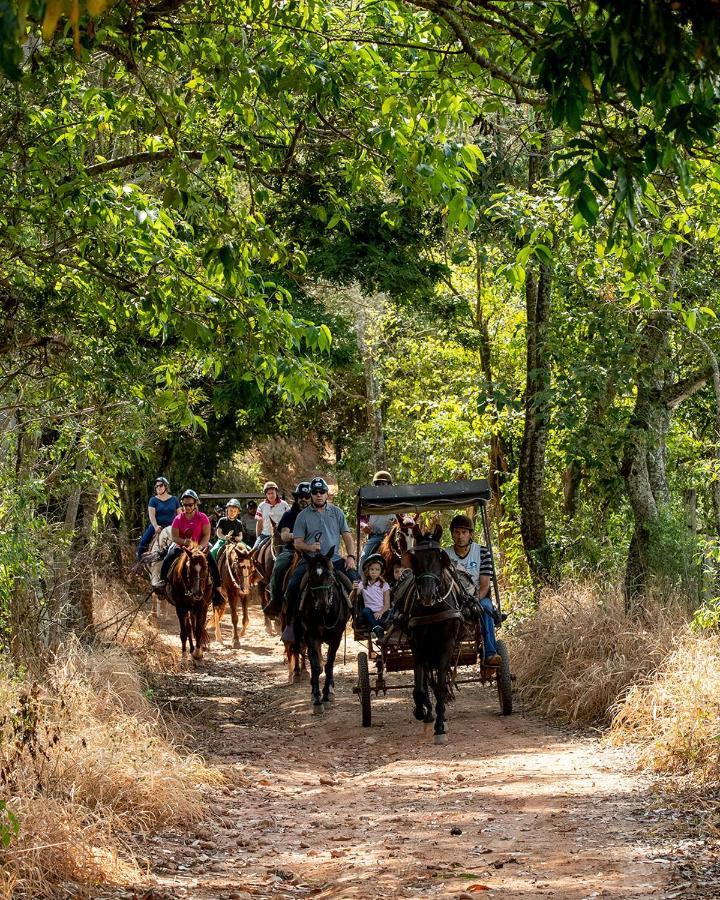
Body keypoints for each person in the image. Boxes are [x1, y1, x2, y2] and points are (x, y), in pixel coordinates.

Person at [283, 477, 358, 641]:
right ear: (311, 495)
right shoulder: (302, 516)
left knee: (356, 582)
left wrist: (351, 556)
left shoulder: (337, 512)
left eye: (322, 492)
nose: (318, 495)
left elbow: (346, 535)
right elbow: (297, 542)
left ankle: (358, 620)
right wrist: (310, 548)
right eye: (315, 492)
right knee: (293, 586)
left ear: (327, 494)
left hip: (333, 559)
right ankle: (291, 625)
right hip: (310, 560)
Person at [445, 514, 501, 667]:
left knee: (487, 608)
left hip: (477, 595)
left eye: (464, 532)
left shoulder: (482, 552)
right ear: (452, 534)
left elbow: (484, 585)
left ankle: (490, 653)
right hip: (452, 599)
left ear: (470, 534)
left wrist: (475, 600)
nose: (460, 536)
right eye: (457, 532)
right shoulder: (444, 555)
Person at [156, 490, 223, 604]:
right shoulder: (178, 519)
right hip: (182, 547)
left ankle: (217, 589)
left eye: (190, 505)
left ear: (195, 504)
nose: (187, 507)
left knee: (212, 561)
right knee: (168, 557)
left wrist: (201, 547)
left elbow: (206, 534)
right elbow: (174, 537)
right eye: (185, 505)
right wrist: (183, 542)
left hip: (199, 547)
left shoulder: (202, 517)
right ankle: (163, 582)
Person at [267, 482, 311, 613]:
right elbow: (285, 535)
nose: (303, 499)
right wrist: (300, 535)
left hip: (314, 550)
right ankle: (275, 601)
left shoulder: (317, 514)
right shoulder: (289, 515)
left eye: (306, 496)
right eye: (300, 496)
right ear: (297, 498)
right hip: (292, 550)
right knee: (279, 567)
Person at [358, 470, 396, 569]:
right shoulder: (369, 501)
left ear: (389, 485)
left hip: (394, 537)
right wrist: (363, 526)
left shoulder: (397, 499)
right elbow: (361, 518)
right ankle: (361, 582)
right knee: (363, 558)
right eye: (377, 484)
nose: (380, 486)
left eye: (383, 483)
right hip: (376, 536)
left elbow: (404, 516)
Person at [137, 476, 180, 560]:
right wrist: (156, 526)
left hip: (172, 527)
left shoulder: (174, 499)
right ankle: (139, 561)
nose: (158, 487)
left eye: (161, 485)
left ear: (166, 486)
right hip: (157, 527)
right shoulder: (153, 500)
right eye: (156, 486)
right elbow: (151, 515)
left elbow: (180, 514)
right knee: (143, 542)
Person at [353, 554, 390, 639]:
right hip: (368, 614)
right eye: (372, 569)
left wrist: (380, 612)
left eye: (377, 570)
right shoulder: (363, 584)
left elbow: (387, 604)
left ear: (381, 572)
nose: (374, 572)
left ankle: (375, 628)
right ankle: (377, 629)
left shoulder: (384, 585)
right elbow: (353, 597)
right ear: (367, 570)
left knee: (390, 616)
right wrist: (354, 589)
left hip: (381, 614)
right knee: (366, 610)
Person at [253, 481, 290, 548]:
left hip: (282, 535)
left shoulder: (284, 505)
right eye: (268, 493)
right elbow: (259, 522)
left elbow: (289, 520)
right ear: (266, 494)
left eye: (272, 493)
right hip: (265, 534)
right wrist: (258, 537)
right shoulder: (261, 506)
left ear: (276, 492)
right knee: (255, 549)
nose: (270, 495)